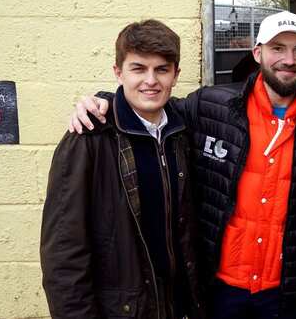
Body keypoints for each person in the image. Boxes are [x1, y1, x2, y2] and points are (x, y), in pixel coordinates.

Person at [69, 11, 296, 319]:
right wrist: (104, 100)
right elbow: (152, 105)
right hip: (217, 288)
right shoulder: (211, 105)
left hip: (283, 291)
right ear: (258, 53)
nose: (288, 59)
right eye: (277, 48)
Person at [41, 20, 205, 318]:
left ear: (176, 74)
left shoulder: (182, 130)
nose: (151, 80)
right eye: (138, 68)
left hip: (180, 305)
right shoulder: (88, 139)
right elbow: (64, 253)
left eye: (162, 69)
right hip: (124, 310)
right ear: (119, 72)